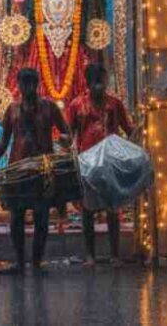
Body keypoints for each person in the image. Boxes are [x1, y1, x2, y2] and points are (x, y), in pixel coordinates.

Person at [0, 68, 70, 275]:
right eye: (24, 83)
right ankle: (20, 263)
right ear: (18, 85)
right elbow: (4, 141)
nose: (28, 88)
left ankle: (36, 264)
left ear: (37, 84)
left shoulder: (49, 107)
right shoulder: (12, 110)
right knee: (16, 217)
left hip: (43, 170)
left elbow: (67, 132)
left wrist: (66, 140)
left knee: (42, 218)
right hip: (17, 170)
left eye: (32, 83)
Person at [70, 63, 135, 267]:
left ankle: (114, 255)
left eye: (102, 82)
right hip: (87, 162)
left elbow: (129, 130)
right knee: (88, 211)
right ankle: (90, 255)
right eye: (96, 83)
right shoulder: (77, 105)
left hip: (110, 162)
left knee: (112, 209)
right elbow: (68, 133)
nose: (100, 87)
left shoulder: (114, 104)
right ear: (88, 83)